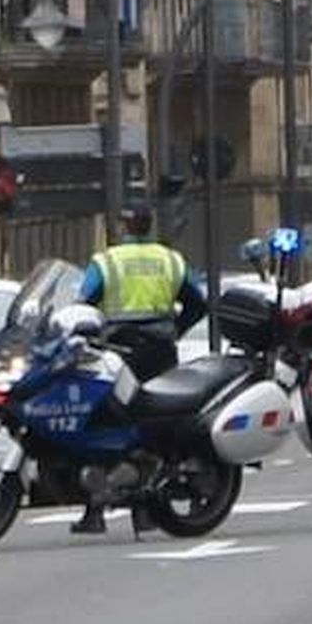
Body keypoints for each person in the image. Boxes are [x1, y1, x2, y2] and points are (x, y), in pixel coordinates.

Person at [72, 201, 207, 535]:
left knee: (107, 424)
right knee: (154, 427)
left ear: (122, 226)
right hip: (160, 351)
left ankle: (95, 511)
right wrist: (175, 329)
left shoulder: (108, 261)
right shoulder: (169, 259)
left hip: (119, 351)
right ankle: (145, 510)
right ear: (149, 225)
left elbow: (83, 304)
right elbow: (197, 302)